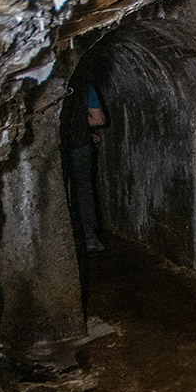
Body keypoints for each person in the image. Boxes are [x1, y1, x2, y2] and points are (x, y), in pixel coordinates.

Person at [59, 68, 107, 253]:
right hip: (80, 145)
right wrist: (81, 127)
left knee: (60, 189)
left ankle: (66, 241)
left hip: (59, 147)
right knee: (83, 189)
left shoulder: (48, 84)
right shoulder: (86, 86)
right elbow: (99, 119)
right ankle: (89, 238)